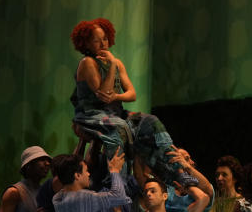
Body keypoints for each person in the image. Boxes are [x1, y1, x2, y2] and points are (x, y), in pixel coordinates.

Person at [69, 18, 196, 188]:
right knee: (119, 127)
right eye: (96, 40)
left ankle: (177, 171)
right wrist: (113, 66)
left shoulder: (116, 62)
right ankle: (116, 183)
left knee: (151, 122)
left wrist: (116, 96)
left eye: (105, 38)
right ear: (86, 43)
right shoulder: (87, 63)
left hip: (115, 112)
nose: (102, 43)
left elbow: (131, 94)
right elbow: (104, 94)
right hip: (92, 114)